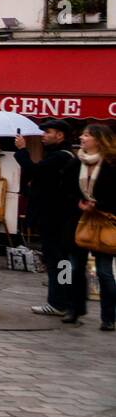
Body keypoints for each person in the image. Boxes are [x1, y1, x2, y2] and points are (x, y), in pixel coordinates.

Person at [14, 120, 78, 316]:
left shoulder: (59, 157)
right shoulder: (65, 156)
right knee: (63, 260)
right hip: (63, 217)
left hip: (55, 217)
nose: (43, 135)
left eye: (47, 132)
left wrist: (22, 150)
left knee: (56, 260)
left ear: (59, 135)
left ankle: (57, 302)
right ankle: (66, 300)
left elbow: (34, 171)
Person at [64, 122, 116, 329]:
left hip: (104, 221)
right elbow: (65, 188)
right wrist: (78, 202)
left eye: (87, 135)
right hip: (79, 221)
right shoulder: (76, 163)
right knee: (73, 268)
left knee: (104, 272)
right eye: (82, 135)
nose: (82, 138)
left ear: (99, 139)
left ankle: (109, 317)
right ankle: (73, 309)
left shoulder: (112, 163)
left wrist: (98, 205)